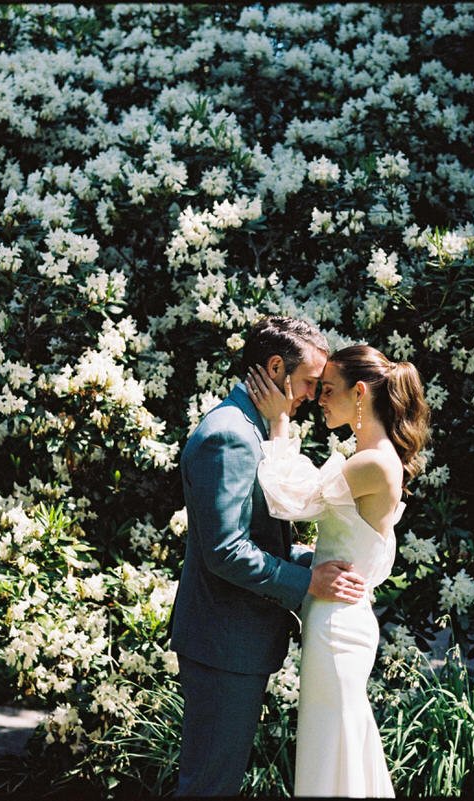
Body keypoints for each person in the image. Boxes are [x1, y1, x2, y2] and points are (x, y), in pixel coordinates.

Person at [169, 316, 369, 797]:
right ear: (275, 367)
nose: (311, 396)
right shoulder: (230, 435)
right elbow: (226, 550)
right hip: (224, 643)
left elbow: (258, 536)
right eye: (307, 383)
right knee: (209, 787)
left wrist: (312, 558)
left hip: (233, 641)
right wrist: (308, 584)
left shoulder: (254, 428)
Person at [245, 344, 430, 798]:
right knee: (343, 747)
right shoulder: (374, 459)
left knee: (334, 751)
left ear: (360, 393)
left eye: (328, 391)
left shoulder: (371, 462)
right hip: (340, 619)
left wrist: (279, 423)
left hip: (337, 627)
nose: (320, 400)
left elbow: (290, 499)